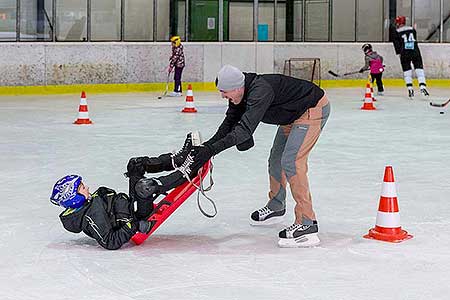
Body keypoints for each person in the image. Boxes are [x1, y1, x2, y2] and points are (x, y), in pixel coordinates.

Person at [182, 65, 330, 248]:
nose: (223, 96)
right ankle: (277, 205)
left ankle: (307, 223)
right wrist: (207, 147)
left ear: (237, 88)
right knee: (276, 160)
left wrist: (212, 150)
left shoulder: (260, 92)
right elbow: (229, 123)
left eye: (224, 92)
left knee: (291, 162)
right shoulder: (239, 95)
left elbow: (244, 131)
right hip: (291, 116)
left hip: (311, 110)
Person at [50, 133, 201, 250]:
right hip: (136, 217)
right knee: (144, 187)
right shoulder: (91, 217)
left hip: (129, 207)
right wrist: (135, 226)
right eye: (82, 188)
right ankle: (187, 171)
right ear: (74, 198)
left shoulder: (86, 204)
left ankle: (178, 159)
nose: (87, 187)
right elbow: (110, 241)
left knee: (135, 164)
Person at [392, 15, 429, 98]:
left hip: (404, 52)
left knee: (407, 71)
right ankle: (422, 87)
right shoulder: (412, 29)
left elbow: (397, 45)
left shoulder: (396, 32)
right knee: (419, 69)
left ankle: (410, 89)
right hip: (415, 51)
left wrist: (399, 53)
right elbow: (414, 39)